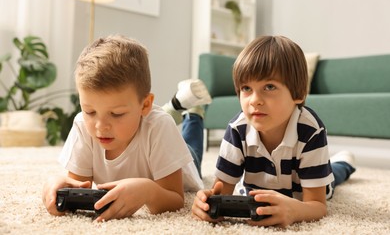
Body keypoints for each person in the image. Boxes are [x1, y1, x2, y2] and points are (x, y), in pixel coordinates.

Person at [42, 35, 211, 222]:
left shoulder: (160, 127)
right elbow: (80, 188)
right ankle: (174, 106)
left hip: (178, 160)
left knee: (192, 148)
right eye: (89, 111)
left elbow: (176, 200)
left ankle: (194, 112)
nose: (100, 126)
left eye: (116, 114)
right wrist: (58, 187)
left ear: (145, 105)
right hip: (149, 126)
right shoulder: (82, 125)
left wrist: (147, 191)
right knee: (153, 120)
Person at [191, 35, 356, 228]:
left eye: (269, 87)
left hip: (303, 186)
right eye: (246, 88)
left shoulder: (311, 130)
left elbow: (318, 205)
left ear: (298, 94)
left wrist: (294, 211)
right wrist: (206, 203)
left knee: (333, 175)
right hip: (263, 189)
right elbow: (220, 192)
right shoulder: (237, 129)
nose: (254, 100)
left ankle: (343, 161)